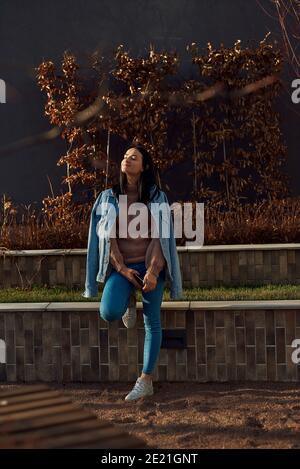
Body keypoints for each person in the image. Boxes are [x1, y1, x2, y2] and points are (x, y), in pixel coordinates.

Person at [83, 143, 183, 401]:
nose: (127, 159)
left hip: (151, 267)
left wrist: (152, 272)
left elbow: (162, 238)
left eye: (134, 157)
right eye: (125, 156)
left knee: (152, 321)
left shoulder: (157, 197)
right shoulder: (107, 197)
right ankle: (128, 298)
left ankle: (145, 380)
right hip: (123, 267)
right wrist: (121, 269)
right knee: (109, 312)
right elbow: (104, 239)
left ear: (144, 166)